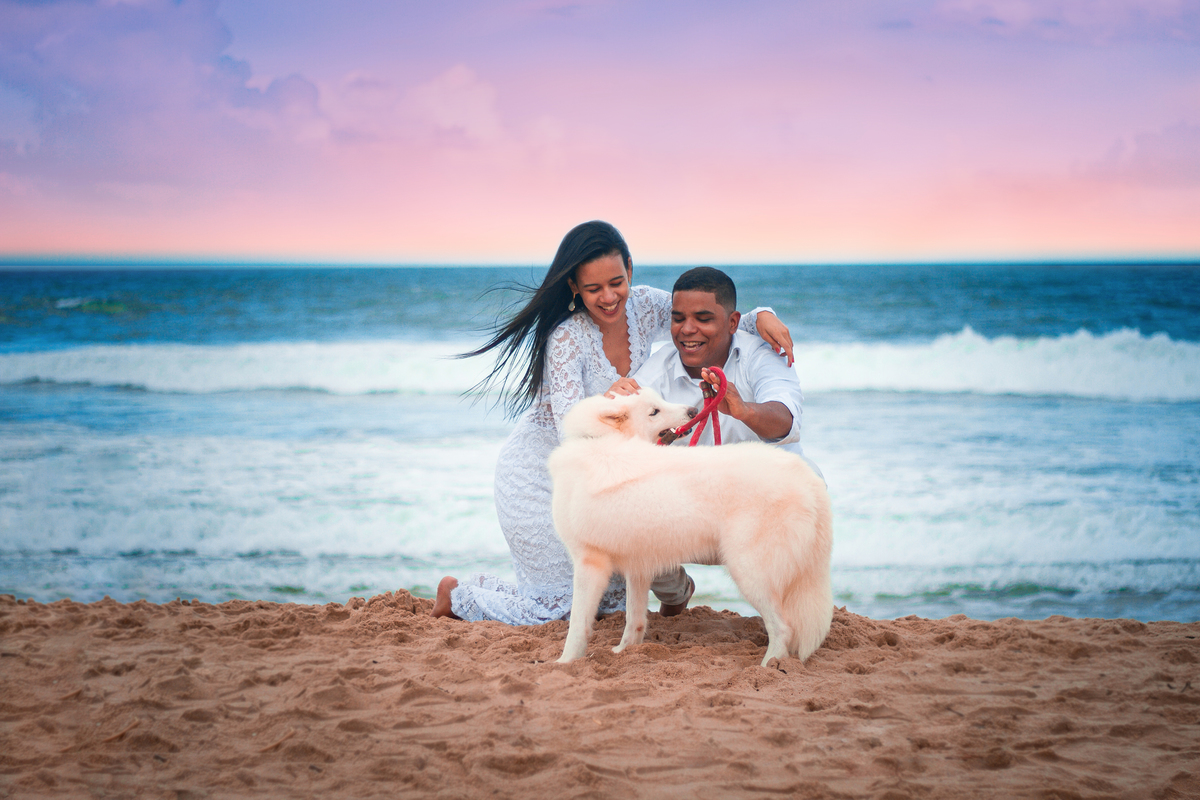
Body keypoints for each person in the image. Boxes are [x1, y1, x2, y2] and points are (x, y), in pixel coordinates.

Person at [430, 223, 794, 623]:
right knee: (558, 613)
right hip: (539, 474)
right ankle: (458, 597)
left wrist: (762, 316)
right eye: (593, 289)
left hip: (605, 479)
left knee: (611, 608)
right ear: (574, 288)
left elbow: (709, 318)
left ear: (631, 272)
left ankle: (675, 587)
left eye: (616, 282)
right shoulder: (567, 339)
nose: (608, 297)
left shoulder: (643, 306)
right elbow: (571, 431)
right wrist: (605, 402)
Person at [607, 266, 824, 615]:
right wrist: (614, 403)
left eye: (703, 318)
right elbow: (622, 444)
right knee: (613, 507)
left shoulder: (763, 355)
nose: (687, 330)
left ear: (734, 322)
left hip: (759, 509)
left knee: (807, 489)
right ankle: (674, 592)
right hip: (695, 516)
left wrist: (742, 410)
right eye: (678, 319)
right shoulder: (657, 370)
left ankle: (789, 607)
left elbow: (786, 419)